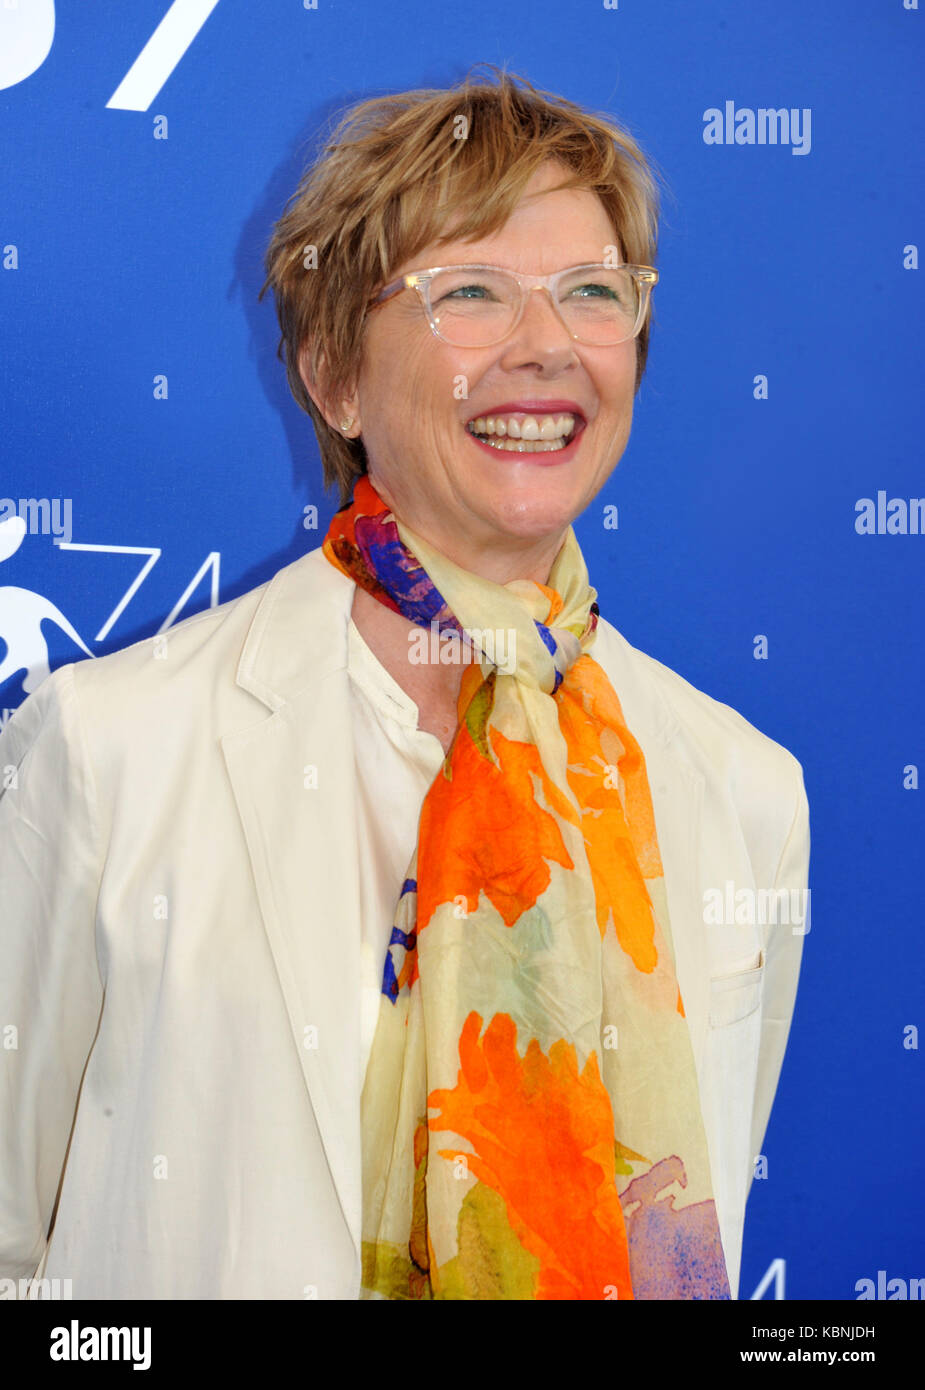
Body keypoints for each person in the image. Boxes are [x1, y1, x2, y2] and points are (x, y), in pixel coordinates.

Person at [0, 67, 809, 1301]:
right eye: (468, 292)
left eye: (592, 293)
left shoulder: (745, 790)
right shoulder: (109, 750)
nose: (545, 347)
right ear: (332, 375)